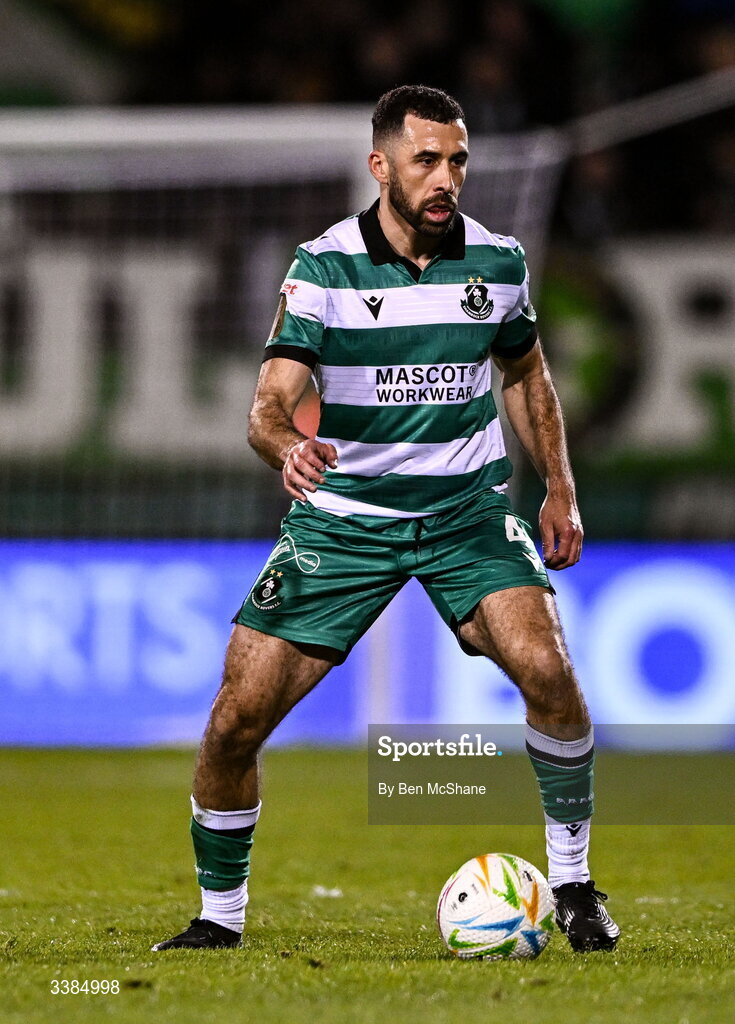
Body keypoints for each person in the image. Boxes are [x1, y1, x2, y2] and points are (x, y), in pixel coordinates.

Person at [153, 84, 619, 954]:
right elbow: (267, 406)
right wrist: (284, 446)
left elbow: (524, 372)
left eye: (456, 161)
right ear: (381, 167)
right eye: (425, 162)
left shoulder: (498, 261)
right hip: (344, 523)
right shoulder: (322, 269)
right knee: (233, 720)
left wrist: (558, 485)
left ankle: (574, 885)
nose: (446, 179)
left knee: (548, 674)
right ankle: (218, 922)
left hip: (463, 513)